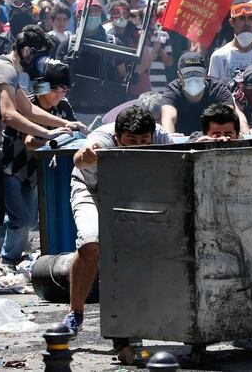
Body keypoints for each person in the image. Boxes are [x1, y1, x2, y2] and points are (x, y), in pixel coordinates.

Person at [0, 26, 83, 291]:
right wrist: (47, 132)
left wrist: (67, 125)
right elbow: (10, 114)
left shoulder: (9, 73)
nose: (42, 65)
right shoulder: (5, 70)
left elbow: (29, 109)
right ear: (27, 51)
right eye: (41, 56)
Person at [63, 105, 171, 339]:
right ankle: (74, 313)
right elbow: (79, 159)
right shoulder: (101, 137)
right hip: (92, 189)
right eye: (130, 141)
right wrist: (87, 155)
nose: (138, 147)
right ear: (116, 137)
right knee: (91, 244)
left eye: (144, 141)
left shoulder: (162, 137)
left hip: (133, 194)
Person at [0, 61, 75, 266]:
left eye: (64, 90)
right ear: (44, 87)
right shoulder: (27, 105)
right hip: (13, 169)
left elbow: (71, 135)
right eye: (56, 90)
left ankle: (7, 250)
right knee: (21, 220)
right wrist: (51, 140)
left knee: (31, 221)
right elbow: (29, 141)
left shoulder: (64, 109)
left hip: (37, 174)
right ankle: (8, 261)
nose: (60, 95)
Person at [160, 51, 239, 135]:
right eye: (188, 74)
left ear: (205, 74)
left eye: (198, 73)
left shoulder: (218, 89)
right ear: (179, 76)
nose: (193, 78)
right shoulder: (172, 90)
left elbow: (229, 117)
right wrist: (170, 137)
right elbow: (168, 117)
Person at [56, 0, 126, 84]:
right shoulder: (67, 45)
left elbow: (123, 75)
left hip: (106, 96)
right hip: (76, 96)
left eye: (96, 10)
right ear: (78, 16)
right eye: (88, 11)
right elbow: (57, 78)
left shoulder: (114, 43)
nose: (93, 14)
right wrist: (66, 67)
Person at [208, 3, 252, 86]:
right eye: (242, 18)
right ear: (232, 22)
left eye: (250, 18)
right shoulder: (218, 56)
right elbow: (213, 90)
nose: (247, 23)